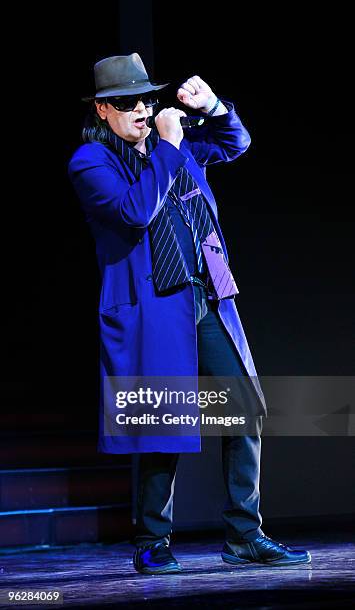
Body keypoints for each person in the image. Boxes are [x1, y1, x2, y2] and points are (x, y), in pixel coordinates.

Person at [68, 53, 311, 574]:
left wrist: (214, 105)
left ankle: (245, 534)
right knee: (162, 419)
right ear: (103, 111)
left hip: (205, 298)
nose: (142, 109)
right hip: (152, 309)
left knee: (243, 407)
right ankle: (152, 540)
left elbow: (233, 143)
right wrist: (172, 145)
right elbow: (137, 210)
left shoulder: (172, 149)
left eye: (147, 99)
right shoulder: (91, 162)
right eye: (128, 103)